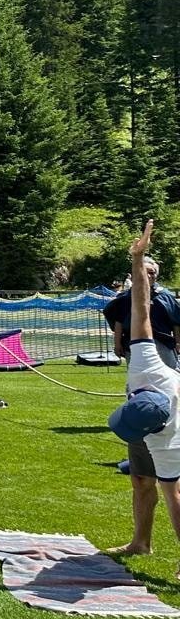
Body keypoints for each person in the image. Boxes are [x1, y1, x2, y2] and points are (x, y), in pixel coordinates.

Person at [103, 220, 180, 571]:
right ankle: (140, 542)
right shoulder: (145, 367)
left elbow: (174, 497)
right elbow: (141, 310)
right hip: (154, 414)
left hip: (170, 426)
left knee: (172, 490)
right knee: (140, 478)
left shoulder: (166, 439)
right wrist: (137, 258)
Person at [104, 250, 180, 368]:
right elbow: (119, 322)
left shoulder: (165, 296)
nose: (149, 275)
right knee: (139, 379)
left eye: (152, 272)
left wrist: (178, 342)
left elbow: (176, 322)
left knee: (170, 378)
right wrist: (117, 344)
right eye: (145, 272)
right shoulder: (125, 298)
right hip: (133, 343)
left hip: (163, 343)